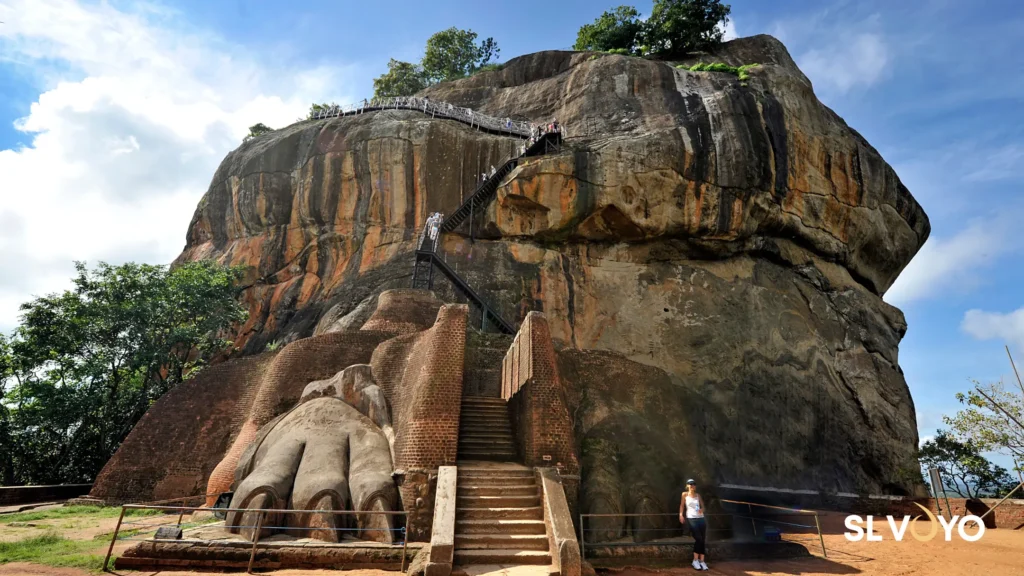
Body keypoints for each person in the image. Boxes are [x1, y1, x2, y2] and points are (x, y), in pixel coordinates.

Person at [680, 479, 708, 571]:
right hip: (691, 518)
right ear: (687, 485)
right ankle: (695, 560)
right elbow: (682, 506)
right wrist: (680, 515)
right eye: (690, 484)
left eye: (693, 484)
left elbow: (703, 506)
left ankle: (702, 561)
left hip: (701, 518)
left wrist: (701, 510)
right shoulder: (684, 494)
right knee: (698, 538)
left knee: (703, 539)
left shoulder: (698, 495)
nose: (692, 486)